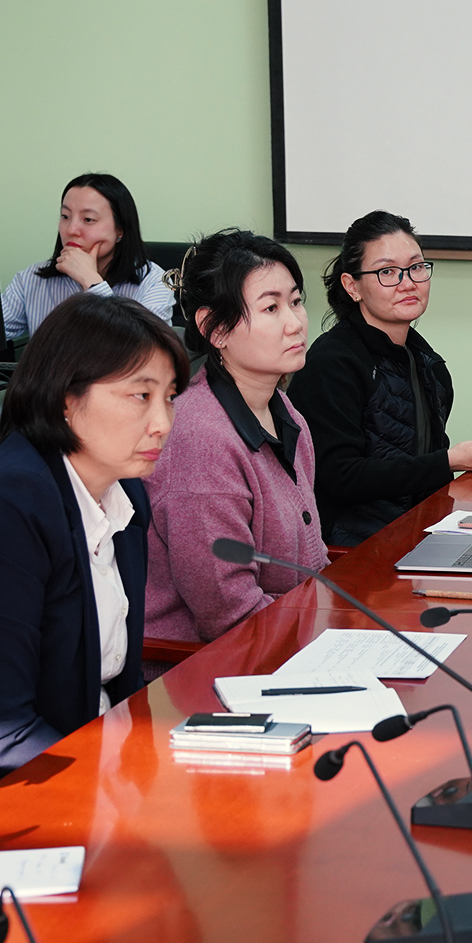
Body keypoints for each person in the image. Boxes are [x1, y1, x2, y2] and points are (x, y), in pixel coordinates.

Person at [0, 294, 186, 787]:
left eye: (169, 397)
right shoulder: (4, 511)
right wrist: (113, 793)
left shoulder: (125, 494)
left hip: (104, 759)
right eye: (141, 396)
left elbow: (122, 683)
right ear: (65, 398)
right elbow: (1, 733)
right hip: (26, 786)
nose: (163, 423)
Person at [145, 230, 328, 642]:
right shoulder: (201, 438)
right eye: (271, 308)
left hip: (287, 638)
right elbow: (229, 614)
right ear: (215, 329)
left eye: (296, 302)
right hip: (202, 666)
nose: (295, 323)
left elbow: (313, 564)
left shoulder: (288, 415)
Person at [288, 211, 472, 545]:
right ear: (352, 286)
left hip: (417, 535)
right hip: (349, 551)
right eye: (387, 272)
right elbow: (340, 477)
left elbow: (421, 471)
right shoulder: (331, 362)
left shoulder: (426, 362)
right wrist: (448, 462)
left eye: (416, 267)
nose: (408, 283)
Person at [0, 173, 175, 340]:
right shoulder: (31, 280)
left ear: (120, 230)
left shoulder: (154, 282)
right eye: (65, 216)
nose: (71, 230)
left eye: (88, 219)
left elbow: (144, 349)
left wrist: (92, 283)